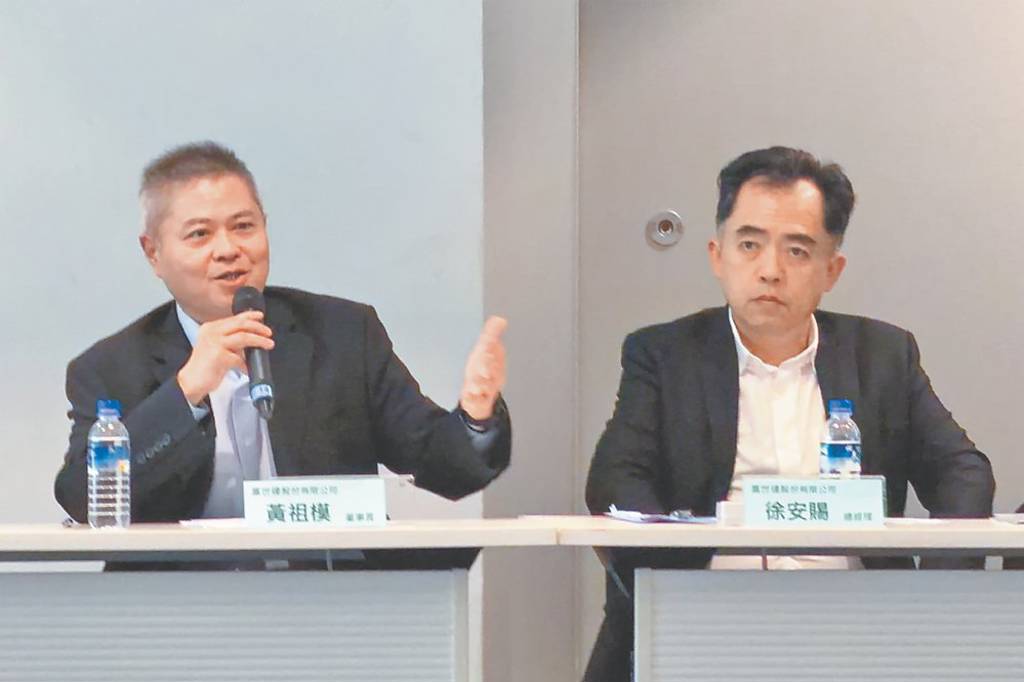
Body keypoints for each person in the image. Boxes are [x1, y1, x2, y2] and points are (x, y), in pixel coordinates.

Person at [582, 146, 995, 681]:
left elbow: (963, 472)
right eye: (749, 245)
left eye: (797, 251)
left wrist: (929, 599)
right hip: (703, 625)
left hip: (856, 631)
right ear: (717, 256)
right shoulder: (663, 355)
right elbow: (616, 481)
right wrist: (676, 588)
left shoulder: (883, 355)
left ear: (832, 270)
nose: (770, 271)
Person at [55, 141, 510, 526]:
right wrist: (186, 390)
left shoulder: (342, 335)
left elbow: (442, 465)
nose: (228, 250)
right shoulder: (111, 368)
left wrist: (475, 414)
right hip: (182, 597)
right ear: (153, 253)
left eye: (243, 227)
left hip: (327, 591)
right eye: (199, 235)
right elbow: (82, 498)